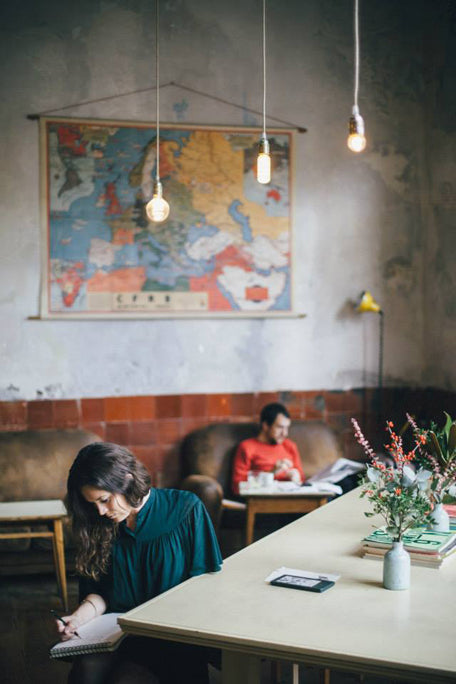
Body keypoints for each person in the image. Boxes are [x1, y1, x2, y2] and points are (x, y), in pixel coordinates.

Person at [55, 442, 222, 684]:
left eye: (104, 500)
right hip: (116, 634)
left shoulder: (186, 509)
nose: (100, 511)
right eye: (93, 504)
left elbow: (205, 587)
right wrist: (77, 619)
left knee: (125, 680)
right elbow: (101, 593)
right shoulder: (97, 523)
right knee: (85, 672)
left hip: (173, 638)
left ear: (128, 480)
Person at [231, 402, 304, 495]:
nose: (285, 433)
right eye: (280, 427)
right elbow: (237, 486)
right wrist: (271, 473)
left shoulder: (290, 446)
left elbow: (301, 479)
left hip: (293, 497)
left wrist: (296, 478)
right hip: (263, 500)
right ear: (265, 426)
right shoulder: (246, 447)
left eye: (286, 428)